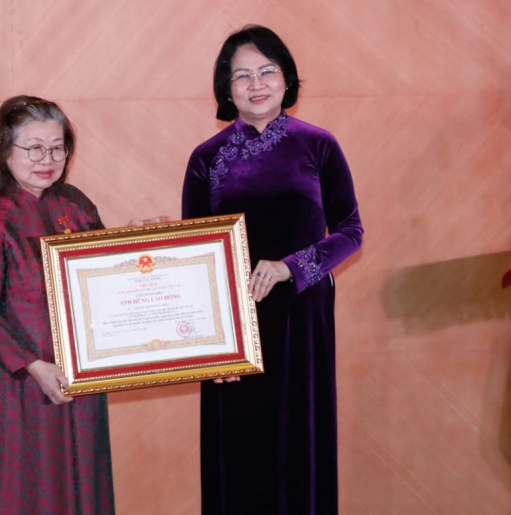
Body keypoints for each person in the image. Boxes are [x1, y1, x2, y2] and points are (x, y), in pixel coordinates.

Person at [181, 25, 364, 514]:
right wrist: (209, 350)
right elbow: (194, 257)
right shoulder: (205, 159)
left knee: (300, 444)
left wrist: (291, 267)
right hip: (234, 326)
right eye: (242, 75)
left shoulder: (319, 145)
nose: (256, 84)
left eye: (267, 71)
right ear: (226, 88)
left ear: (287, 79)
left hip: (303, 316)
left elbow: (351, 230)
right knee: (238, 453)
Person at [0, 96, 115, 514]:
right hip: (19, 380)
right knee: (30, 486)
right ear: (4, 149)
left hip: (80, 370)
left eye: (58, 148)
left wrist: (136, 245)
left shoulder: (75, 204)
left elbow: (105, 275)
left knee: (85, 477)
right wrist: (33, 365)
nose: (48, 160)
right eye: (35, 148)